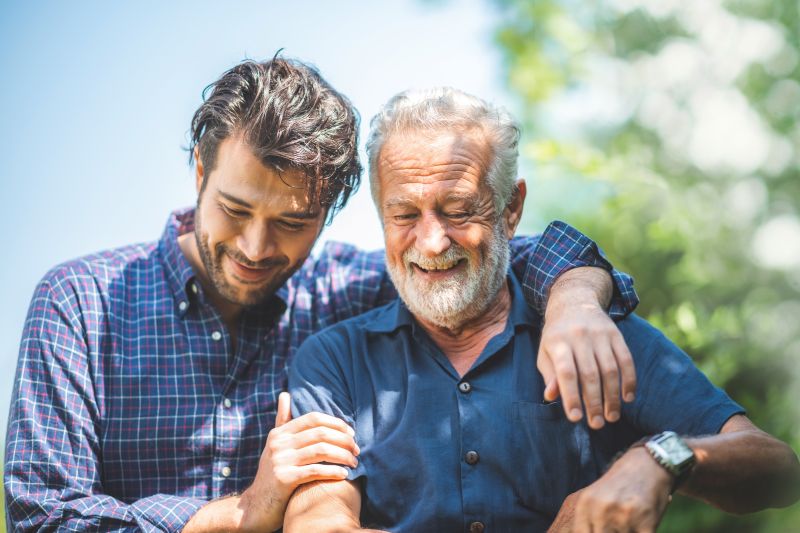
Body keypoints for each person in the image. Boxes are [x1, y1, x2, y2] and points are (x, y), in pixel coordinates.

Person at [4, 58, 640, 532]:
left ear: (329, 213)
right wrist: (234, 515)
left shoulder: (347, 288)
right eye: (233, 209)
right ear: (200, 171)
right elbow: (39, 517)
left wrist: (576, 300)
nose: (255, 248)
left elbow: (487, 255)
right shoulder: (79, 303)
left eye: (290, 223)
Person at [285, 87, 800, 532]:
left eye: (459, 210)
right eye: (403, 214)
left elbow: (777, 468)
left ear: (511, 209)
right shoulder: (335, 360)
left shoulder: (592, 332)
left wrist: (661, 457)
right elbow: (318, 522)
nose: (432, 241)